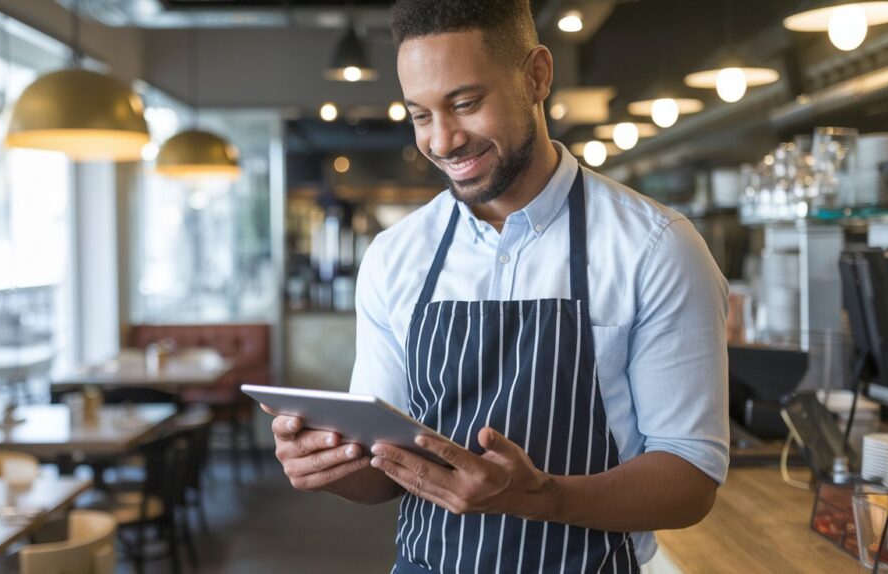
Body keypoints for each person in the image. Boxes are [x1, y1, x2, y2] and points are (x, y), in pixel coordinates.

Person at [266, 0, 729, 571]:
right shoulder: (395, 256)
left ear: (537, 75)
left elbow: (690, 478)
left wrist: (542, 499)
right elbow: (384, 473)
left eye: (464, 103)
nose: (442, 141)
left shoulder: (656, 246)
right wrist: (329, 466)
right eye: (420, 115)